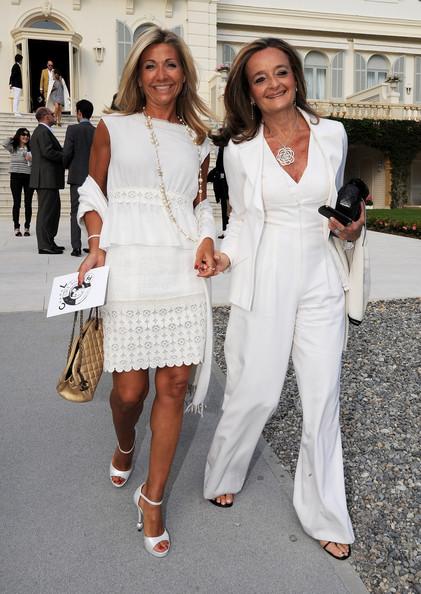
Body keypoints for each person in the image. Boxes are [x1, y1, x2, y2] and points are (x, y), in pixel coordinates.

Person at [203, 37, 367, 562]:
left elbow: (341, 208)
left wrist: (353, 229)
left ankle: (324, 512)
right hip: (266, 271)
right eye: (260, 78)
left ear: (296, 76)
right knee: (256, 390)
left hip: (321, 273)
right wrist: (225, 256)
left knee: (322, 398)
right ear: (248, 92)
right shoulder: (240, 150)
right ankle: (224, 471)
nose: (273, 84)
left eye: (281, 73)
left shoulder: (333, 135)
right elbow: (245, 220)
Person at [76, 26, 216, 558]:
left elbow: (202, 202)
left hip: (181, 265)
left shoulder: (200, 137)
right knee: (130, 391)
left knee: (175, 385)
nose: (161, 74)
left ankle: (152, 496)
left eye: (171, 65)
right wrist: (95, 243)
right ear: (138, 73)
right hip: (129, 260)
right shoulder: (112, 126)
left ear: (184, 74)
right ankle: (126, 440)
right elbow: (93, 190)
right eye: (151, 65)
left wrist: (207, 235)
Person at [30, 107, 65, 254]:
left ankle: (50, 241)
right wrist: (65, 155)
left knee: (53, 211)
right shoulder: (42, 131)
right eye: (52, 114)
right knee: (46, 212)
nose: (54, 115)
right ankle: (44, 245)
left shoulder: (43, 131)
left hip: (48, 178)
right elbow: (48, 152)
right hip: (45, 178)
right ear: (45, 117)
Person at [63, 99, 96, 256]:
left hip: (77, 176)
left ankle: (76, 247)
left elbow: (67, 153)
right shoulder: (97, 131)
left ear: (79, 113)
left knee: (75, 211)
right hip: (94, 178)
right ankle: (93, 245)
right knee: (94, 211)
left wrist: (66, 165)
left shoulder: (72, 129)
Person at [2, 128, 34, 236]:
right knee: (17, 202)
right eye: (23, 135)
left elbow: (37, 160)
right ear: (19, 136)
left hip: (28, 176)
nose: (25, 137)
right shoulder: (13, 147)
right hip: (15, 176)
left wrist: (31, 159)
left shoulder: (31, 148)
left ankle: (27, 227)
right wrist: (13, 137)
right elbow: (4, 143)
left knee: (28, 203)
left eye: (27, 135)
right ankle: (16, 227)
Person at [207, 138, 229, 238]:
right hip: (221, 183)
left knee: (228, 207)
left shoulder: (226, 149)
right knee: (224, 207)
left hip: (227, 182)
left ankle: (228, 230)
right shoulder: (220, 149)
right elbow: (218, 167)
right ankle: (225, 230)